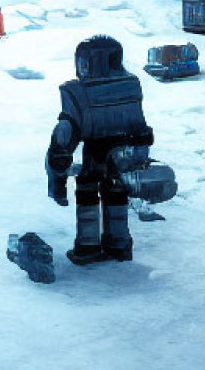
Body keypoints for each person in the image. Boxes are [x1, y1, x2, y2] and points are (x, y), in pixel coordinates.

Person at [45, 35, 155, 265]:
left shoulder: (75, 92)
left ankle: (88, 246)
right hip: (125, 154)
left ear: (84, 63)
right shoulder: (132, 85)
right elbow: (139, 125)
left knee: (87, 191)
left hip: (96, 153)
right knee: (116, 191)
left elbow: (65, 135)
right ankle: (119, 243)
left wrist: (57, 177)